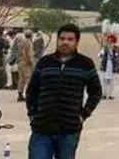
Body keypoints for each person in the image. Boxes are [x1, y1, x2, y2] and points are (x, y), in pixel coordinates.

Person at [26, 24, 102, 159]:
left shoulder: (85, 64)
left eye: (70, 39)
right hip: (42, 128)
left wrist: (84, 114)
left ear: (76, 42)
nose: (65, 42)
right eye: (62, 38)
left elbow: (96, 92)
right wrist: (33, 113)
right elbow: (32, 90)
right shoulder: (45, 62)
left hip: (69, 130)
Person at [99, 34, 119, 100]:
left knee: (112, 81)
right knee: (104, 81)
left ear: (114, 42)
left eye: (111, 41)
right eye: (109, 41)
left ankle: (111, 94)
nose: (110, 43)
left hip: (112, 66)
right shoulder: (105, 48)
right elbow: (99, 55)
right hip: (105, 65)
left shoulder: (117, 49)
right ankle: (104, 94)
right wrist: (102, 55)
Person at [16, 30, 34, 102]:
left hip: (20, 62)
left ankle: (20, 95)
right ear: (31, 35)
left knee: (21, 79)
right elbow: (28, 53)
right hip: (26, 62)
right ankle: (29, 95)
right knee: (28, 78)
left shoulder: (21, 42)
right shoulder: (29, 43)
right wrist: (30, 62)